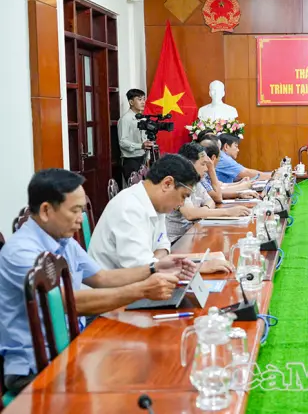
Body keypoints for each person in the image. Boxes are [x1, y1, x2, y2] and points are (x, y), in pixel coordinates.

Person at [0, 169, 196, 394]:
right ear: (46, 211)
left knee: (155, 356)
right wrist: (142, 290)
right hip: (36, 367)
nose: (79, 219)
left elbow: (102, 277)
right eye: (74, 211)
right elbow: (67, 303)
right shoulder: (20, 252)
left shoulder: (63, 240)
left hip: (72, 344)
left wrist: (154, 268)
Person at [89, 154, 229, 274]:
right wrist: (197, 268)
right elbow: (142, 269)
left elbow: (163, 247)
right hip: (113, 293)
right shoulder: (129, 208)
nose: (181, 203)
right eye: (183, 196)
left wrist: (155, 261)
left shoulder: (156, 204)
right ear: (167, 184)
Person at [166, 143, 251, 242]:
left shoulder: (196, 181)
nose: (206, 169)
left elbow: (211, 201)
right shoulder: (178, 183)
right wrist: (228, 212)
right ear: (189, 164)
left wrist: (203, 210)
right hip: (177, 241)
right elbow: (190, 214)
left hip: (193, 234)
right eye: (203, 164)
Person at [199, 138, 258, 204]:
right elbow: (218, 196)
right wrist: (211, 169)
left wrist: (239, 186)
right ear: (213, 158)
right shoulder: (200, 174)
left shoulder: (205, 173)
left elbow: (221, 186)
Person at [118, 89, 152, 182]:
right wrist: (140, 146)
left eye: (144, 99)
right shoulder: (125, 119)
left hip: (143, 158)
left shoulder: (143, 118)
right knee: (134, 187)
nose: (143, 102)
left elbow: (145, 139)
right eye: (139, 99)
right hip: (131, 160)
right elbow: (122, 142)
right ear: (131, 102)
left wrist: (147, 157)